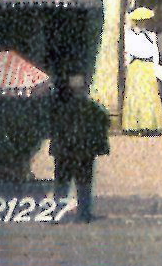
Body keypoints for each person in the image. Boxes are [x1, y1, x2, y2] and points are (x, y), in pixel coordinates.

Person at [49, 74, 110, 223]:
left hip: (64, 152)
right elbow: (104, 123)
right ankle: (83, 214)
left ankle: (58, 213)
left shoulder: (60, 108)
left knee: (62, 183)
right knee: (84, 184)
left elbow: (53, 127)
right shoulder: (92, 108)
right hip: (84, 152)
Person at [121, 6, 162, 135]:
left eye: (145, 20)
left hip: (148, 67)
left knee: (150, 95)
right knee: (136, 95)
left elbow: (155, 52)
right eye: (140, 20)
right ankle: (134, 126)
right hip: (136, 66)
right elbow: (129, 51)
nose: (143, 23)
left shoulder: (150, 35)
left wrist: (155, 66)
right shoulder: (129, 35)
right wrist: (127, 65)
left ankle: (150, 125)